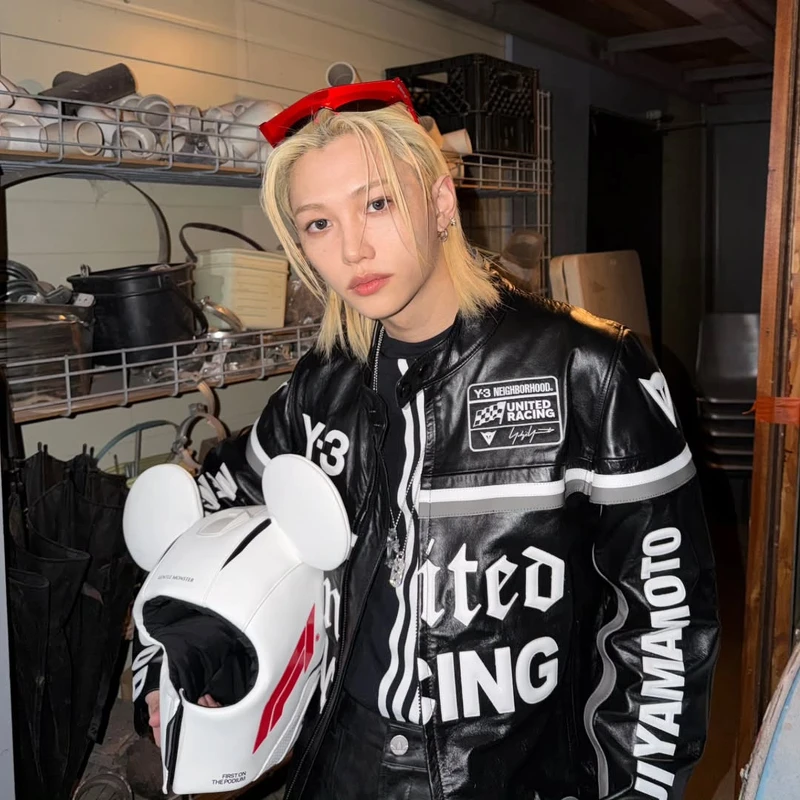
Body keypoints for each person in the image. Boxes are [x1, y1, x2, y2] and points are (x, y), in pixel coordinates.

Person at [132, 79, 720, 799]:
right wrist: (176, 669)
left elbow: (663, 624)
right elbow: (206, 524)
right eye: (318, 224)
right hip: (341, 770)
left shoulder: (588, 369)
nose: (353, 248)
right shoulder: (321, 385)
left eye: (377, 203)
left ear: (441, 202)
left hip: (512, 777)